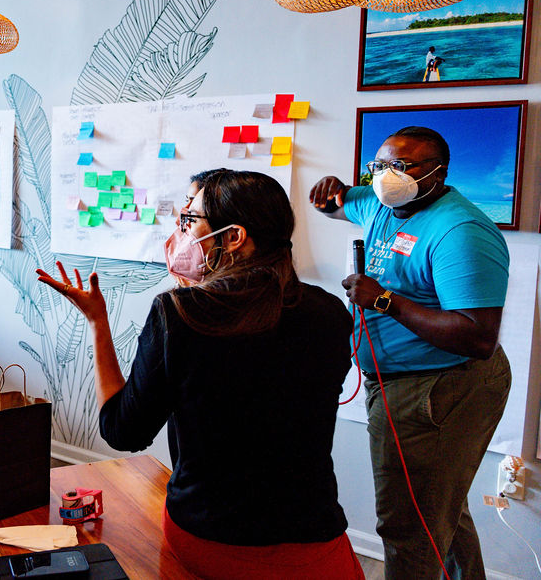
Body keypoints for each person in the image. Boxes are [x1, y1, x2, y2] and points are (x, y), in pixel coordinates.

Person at [38, 169, 364, 579]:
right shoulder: (330, 312)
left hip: (211, 536)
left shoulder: (180, 314)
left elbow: (122, 431)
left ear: (234, 237)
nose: (181, 232)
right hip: (314, 534)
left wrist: (97, 322)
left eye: (189, 220)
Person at [309, 126, 510, 579]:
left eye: (402, 166)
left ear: (438, 172)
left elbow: (478, 337)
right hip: (397, 383)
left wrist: (385, 301)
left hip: (439, 387)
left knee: (410, 526)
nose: (387, 176)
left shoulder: (461, 231)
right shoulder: (381, 202)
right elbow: (335, 204)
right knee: (439, 508)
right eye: (380, 166)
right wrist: (328, 192)